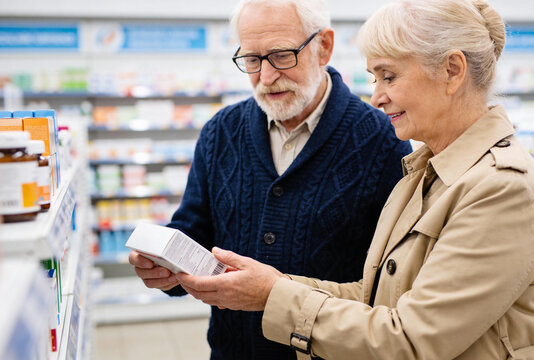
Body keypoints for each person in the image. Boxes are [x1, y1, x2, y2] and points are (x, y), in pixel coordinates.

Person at [175, 0, 534, 359]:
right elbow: (375, 296)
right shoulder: (427, 172)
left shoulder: (502, 188)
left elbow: (414, 338)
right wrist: (273, 285)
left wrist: (274, 294)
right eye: (374, 77)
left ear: (452, 71)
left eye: (389, 76)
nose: (376, 97)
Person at [128, 0, 411, 359]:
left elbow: (390, 280)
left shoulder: (382, 139)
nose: (265, 77)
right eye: (251, 59)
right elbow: (195, 229)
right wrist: (165, 265)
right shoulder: (220, 132)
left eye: (280, 56)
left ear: (323, 46)